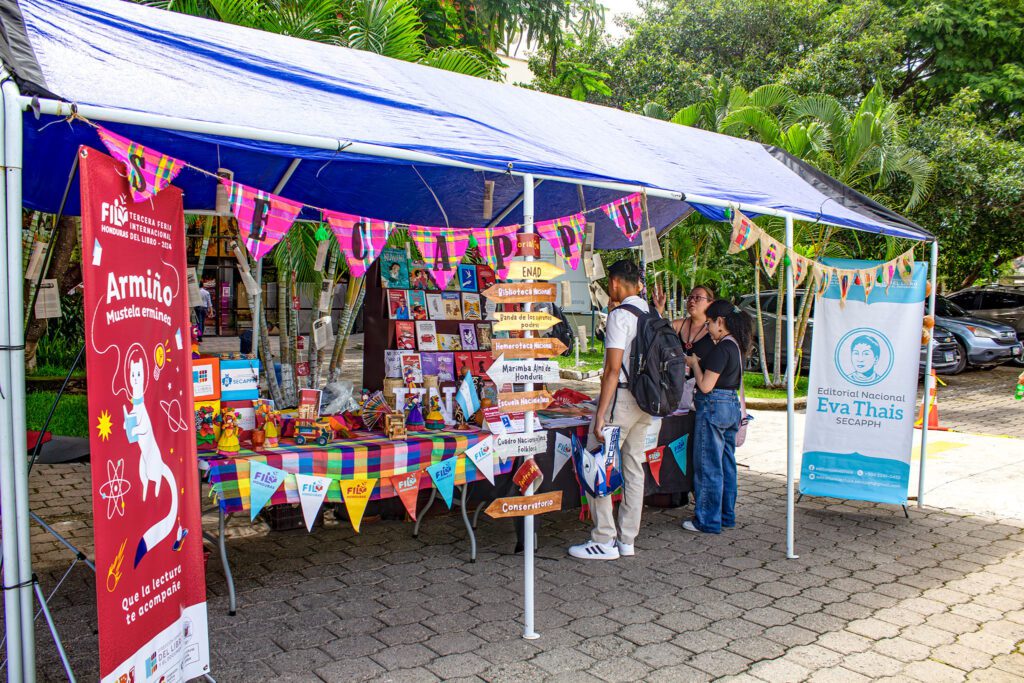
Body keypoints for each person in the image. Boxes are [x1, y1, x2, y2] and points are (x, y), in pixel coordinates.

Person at [569, 259, 660, 560]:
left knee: (597, 463)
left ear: (616, 283)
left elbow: (611, 369)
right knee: (634, 466)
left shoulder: (621, 316)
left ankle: (604, 538)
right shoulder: (650, 313)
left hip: (620, 399)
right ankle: (628, 539)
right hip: (645, 401)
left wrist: (601, 414)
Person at [682, 300, 752, 534]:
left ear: (720, 322)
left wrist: (694, 364)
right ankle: (725, 515)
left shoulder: (723, 347)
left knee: (708, 464)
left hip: (714, 407)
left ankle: (707, 520)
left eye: (710, 323)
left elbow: (705, 385)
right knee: (726, 463)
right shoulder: (736, 346)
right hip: (730, 406)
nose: (708, 327)